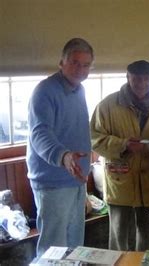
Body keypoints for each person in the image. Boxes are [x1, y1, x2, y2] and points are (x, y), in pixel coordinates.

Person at [90, 60, 149, 251]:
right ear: (128, 77)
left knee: (147, 231)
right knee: (119, 234)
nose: (142, 83)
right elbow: (95, 139)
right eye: (136, 78)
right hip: (120, 177)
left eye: (146, 79)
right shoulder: (107, 106)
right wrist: (124, 144)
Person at [27, 38, 94, 257]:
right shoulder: (44, 91)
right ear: (61, 63)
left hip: (76, 178)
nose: (80, 69)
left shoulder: (80, 90)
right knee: (53, 249)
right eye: (74, 62)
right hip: (53, 181)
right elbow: (39, 133)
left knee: (75, 245)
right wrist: (64, 156)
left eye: (85, 65)